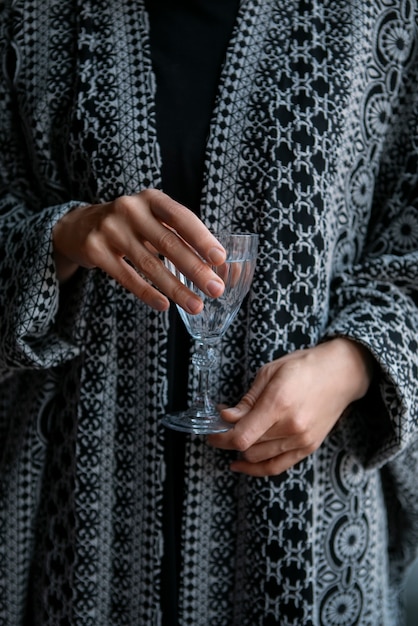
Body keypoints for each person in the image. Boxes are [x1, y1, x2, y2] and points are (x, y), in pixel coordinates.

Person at [1, 1, 418, 624]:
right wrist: (63, 236)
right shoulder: (31, 17)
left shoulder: (385, 16)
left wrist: (352, 364)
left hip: (305, 533)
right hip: (75, 523)